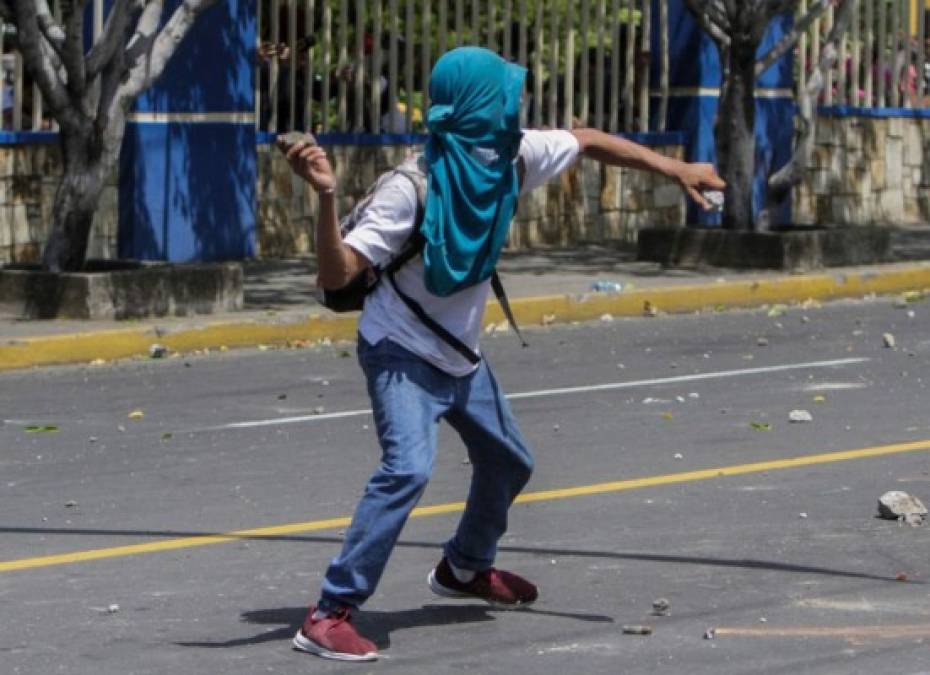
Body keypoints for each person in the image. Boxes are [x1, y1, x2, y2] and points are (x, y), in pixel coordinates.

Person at [283, 46, 724, 662]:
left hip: (458, 353)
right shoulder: (411, 188)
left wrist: (675, 170)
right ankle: (328, 614)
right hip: (401, 350)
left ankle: (464, 567)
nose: (516, 111)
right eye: (504, 99)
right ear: (473, 110)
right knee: (407, 470)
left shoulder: (509, 159)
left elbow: (589, 139)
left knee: (510, 461)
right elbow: (338, 279)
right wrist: (327, 198)